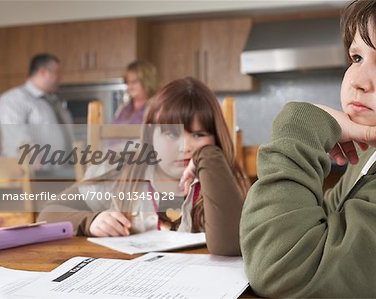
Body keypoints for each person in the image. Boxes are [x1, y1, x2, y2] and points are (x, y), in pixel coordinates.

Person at [240, 0, 376, 297]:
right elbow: (282, 231)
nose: (357, 81)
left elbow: (281, 267)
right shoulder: (374, 156)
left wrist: (301, 130)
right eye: (356, 58)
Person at [38, 77, 249, 256]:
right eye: (171, 133)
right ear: (150, 136)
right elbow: (48, 214)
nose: (185, 147)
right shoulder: (121, 172)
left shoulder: (229, 181)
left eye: (199, 134)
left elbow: (228, 246)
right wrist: (90, 221)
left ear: (216, 138)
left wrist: (209, 156)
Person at [0, 53, 74, 158]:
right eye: (57, 73)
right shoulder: (14, 98)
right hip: (28, 171)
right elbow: (14, 132)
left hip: (59, 169)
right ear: (43, 72)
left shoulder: (54, 102)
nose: (61, 78)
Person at [113, 60, 158, 125]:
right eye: (127, 82)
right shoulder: (123, 108)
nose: (129, 87)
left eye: (134, 82)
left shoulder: (155, 108)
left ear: (147, 82)